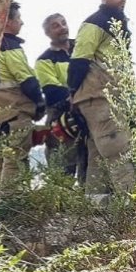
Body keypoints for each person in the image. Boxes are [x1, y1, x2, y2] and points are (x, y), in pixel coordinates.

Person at [69, 0, 135, 194]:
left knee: (98, 154)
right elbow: (79, 61)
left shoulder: (117, 22)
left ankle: (96, 207)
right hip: (98, 97)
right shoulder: (95, 23)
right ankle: (132, 208)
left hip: (107, 97)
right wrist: (72, 92)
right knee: (118, 151)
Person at [0, 2, 46, 187]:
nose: (22, 22)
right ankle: (11, 200)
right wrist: (40, 103)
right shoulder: (10, 47)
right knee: (15, 161)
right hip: (15, 113)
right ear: (7, 21)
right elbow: (26, 79)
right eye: (18, 18)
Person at [35, 13, 85, 181]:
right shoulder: (44, 60)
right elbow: (52, 91)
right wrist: (79, 95)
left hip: (87, 114)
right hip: (61, 118)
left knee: (90, 167)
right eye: (56, 26)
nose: (62, 27)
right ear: (47, 33)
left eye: (63, 23)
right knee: (62, 172)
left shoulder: (83, 49)